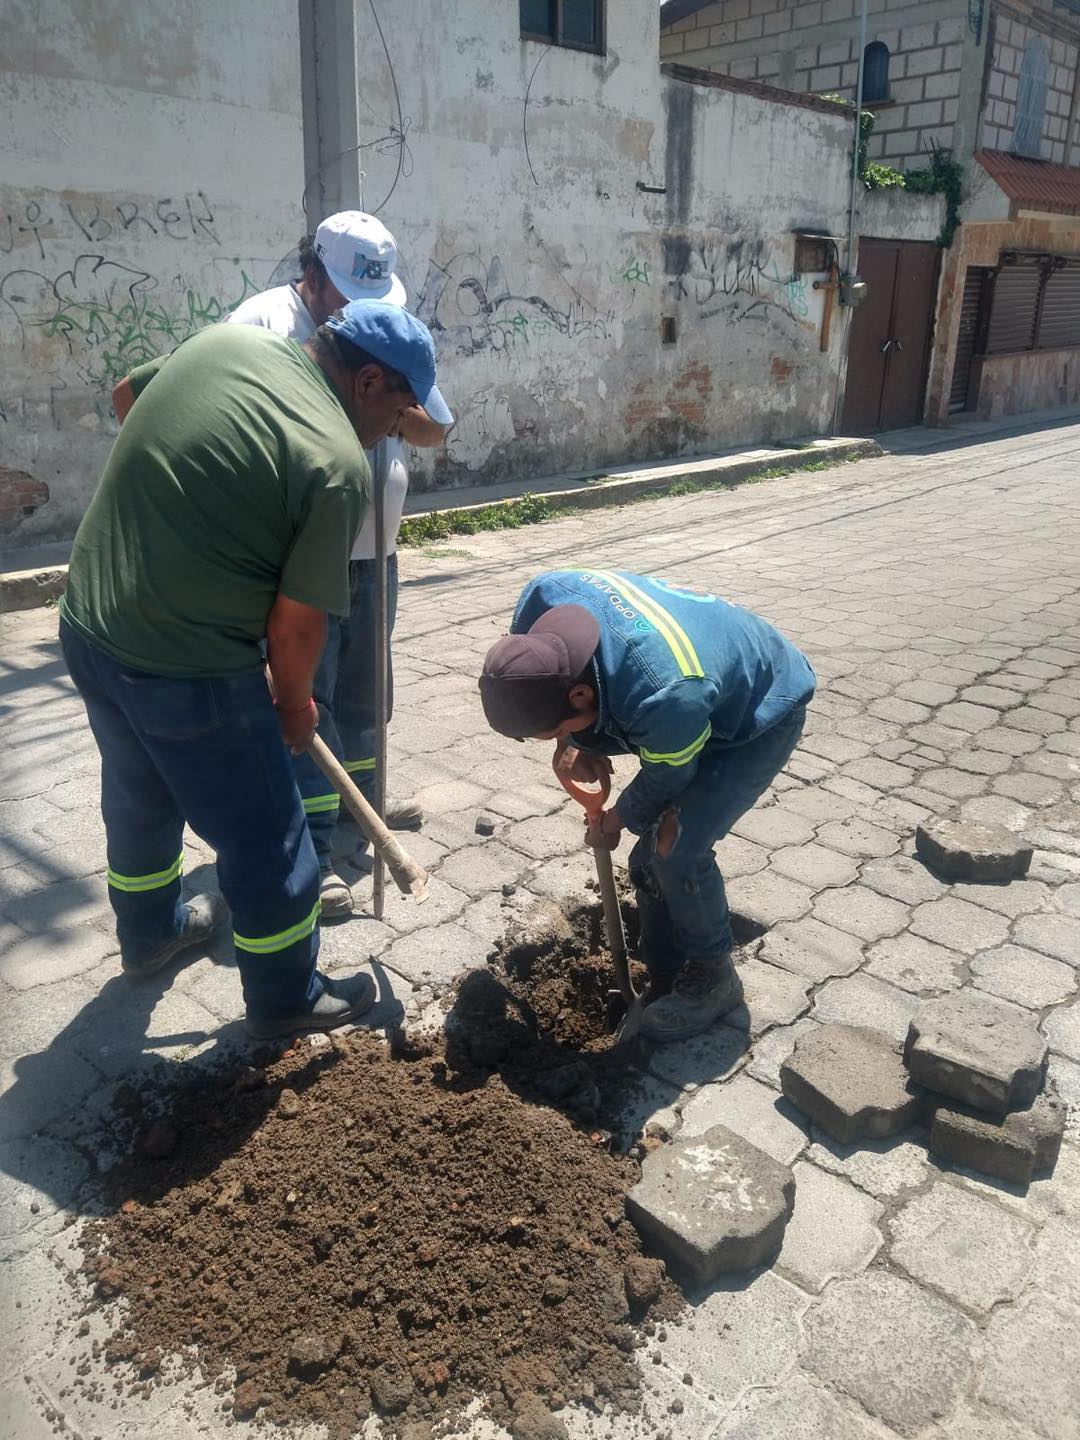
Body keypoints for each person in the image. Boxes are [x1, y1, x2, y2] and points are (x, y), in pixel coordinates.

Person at [60, 301, 452, 1040]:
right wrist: (296, 710)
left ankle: (150, 936)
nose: (392, 434)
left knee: (140, 788)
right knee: (269, 832)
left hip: (93, 622)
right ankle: (286, 996)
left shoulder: (225, 344)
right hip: (189, 665)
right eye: (397, 416)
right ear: (368, 381)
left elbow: (127, 397)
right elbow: (297, 626)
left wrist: (191, 505)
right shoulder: (335, 463)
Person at [478, 570, 815, 1044]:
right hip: (695, 688)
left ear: (578, 693)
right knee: (648, 862)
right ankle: (664, 969)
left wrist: (615, 821)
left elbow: (667, 778)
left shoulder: (664, 697)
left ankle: (715, 978)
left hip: (756, 709)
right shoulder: (542, 599)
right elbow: (563, 700)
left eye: (551, 731)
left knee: (673, 850)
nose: (556, 742)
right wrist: (575, 738)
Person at [228, 210, 449, 919]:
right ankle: (312, 851)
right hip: (300, 563)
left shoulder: (386, 326)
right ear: (315, 276)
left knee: (364, 697)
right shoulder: (262, 323)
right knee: (305, 704)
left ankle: (366, 808)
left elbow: (433, 427)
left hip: (373, 552)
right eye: (348, 301)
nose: (361, 317)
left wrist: (384, 408)